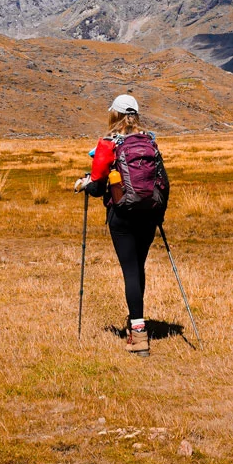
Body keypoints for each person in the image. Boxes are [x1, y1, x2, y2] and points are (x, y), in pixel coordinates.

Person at [74, 94, 168, 355]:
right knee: (138, 266)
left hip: (122, 215)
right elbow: (163, 181)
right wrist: (159, 213)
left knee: (129, 270)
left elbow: (96, 188)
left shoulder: (108, 143)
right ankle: (136, 320)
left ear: (114, 115)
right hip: (149, 213)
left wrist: (85, 183)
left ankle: (138, 335)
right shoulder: (150, 141)